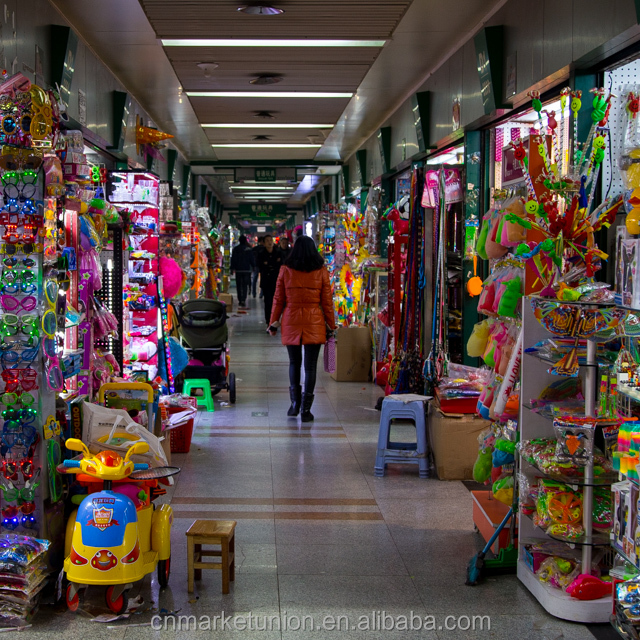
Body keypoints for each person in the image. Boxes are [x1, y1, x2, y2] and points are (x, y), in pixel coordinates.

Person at [268, 236, 336, 422]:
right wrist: (331, 324)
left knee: (294, 363)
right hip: (314, 320)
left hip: (291, 319)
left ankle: (294, 404)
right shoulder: (321, 271)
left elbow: (278, 299)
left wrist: (273, 322)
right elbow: (327, 302)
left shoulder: (285, 270)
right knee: (311, 366)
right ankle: (306, 410)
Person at [258, 235, 283, 324]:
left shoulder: (278, 252)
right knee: (268, 301)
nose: (269, 242)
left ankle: (275, 319)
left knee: (276, 302)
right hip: (266, 281)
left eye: (270, 240)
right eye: (267, 241)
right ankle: (268, 320)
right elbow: (260, 266)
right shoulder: (261, 253)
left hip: (276, 281)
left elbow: (281, 266)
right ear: (264, 243)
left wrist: (268, 264)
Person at [230, 235, 255, 308]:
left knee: (238, 285)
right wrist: (253, 266)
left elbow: (233, 259)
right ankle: (243, 299)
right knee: (245, 285)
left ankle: (240, 299)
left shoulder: (235, 249)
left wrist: (232, 268)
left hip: (238, 270)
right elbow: (251, 259)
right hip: (246, 270)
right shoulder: (248, 249)